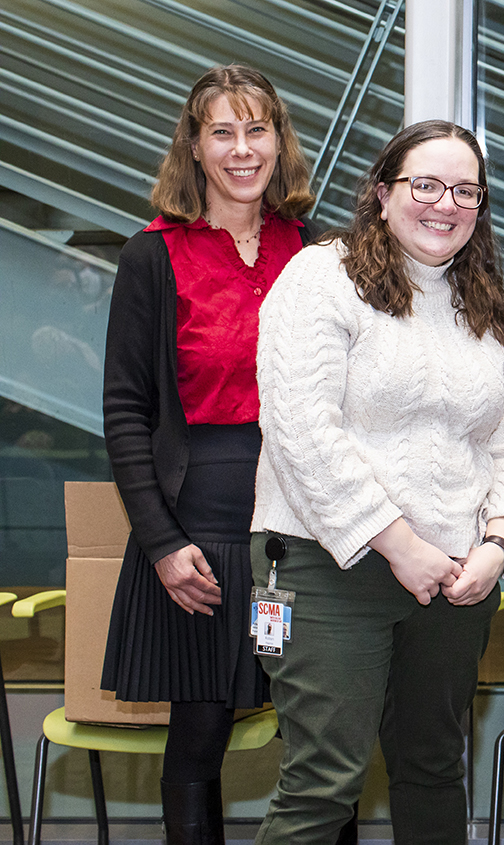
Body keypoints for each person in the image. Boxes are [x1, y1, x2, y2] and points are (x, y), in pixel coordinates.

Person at [250, 119, 504, 844]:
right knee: (323, 779)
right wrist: (399, 543)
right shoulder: (321, 276)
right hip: (323, 562)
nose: (445, 204)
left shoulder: (485, 301)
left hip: (454, 578)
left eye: (465, 191)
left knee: (435, 769)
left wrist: (498, 544)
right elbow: (301, 431)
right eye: (426, 185)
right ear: (382, 193)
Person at [100, 64, 313, 844]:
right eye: (222, 131)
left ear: (279, 141)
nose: (241, 149)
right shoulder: (150, 257)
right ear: (194, 145)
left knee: (326, 743)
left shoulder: (319, 253)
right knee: (198, 745)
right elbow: (125, 411)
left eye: (257, 129)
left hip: (307, 529)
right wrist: (161, 543)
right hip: (201, 536)